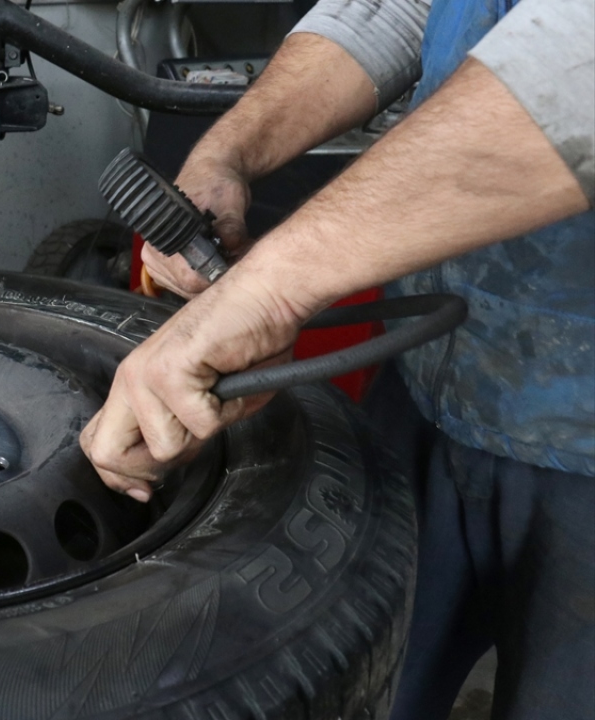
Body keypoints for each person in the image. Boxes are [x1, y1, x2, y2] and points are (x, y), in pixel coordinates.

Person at [78, 0, 595, 716]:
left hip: (585, 446)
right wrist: (227, 153)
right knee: (350, 682)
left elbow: (581, 63)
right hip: (433, 387)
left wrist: (270, 290)